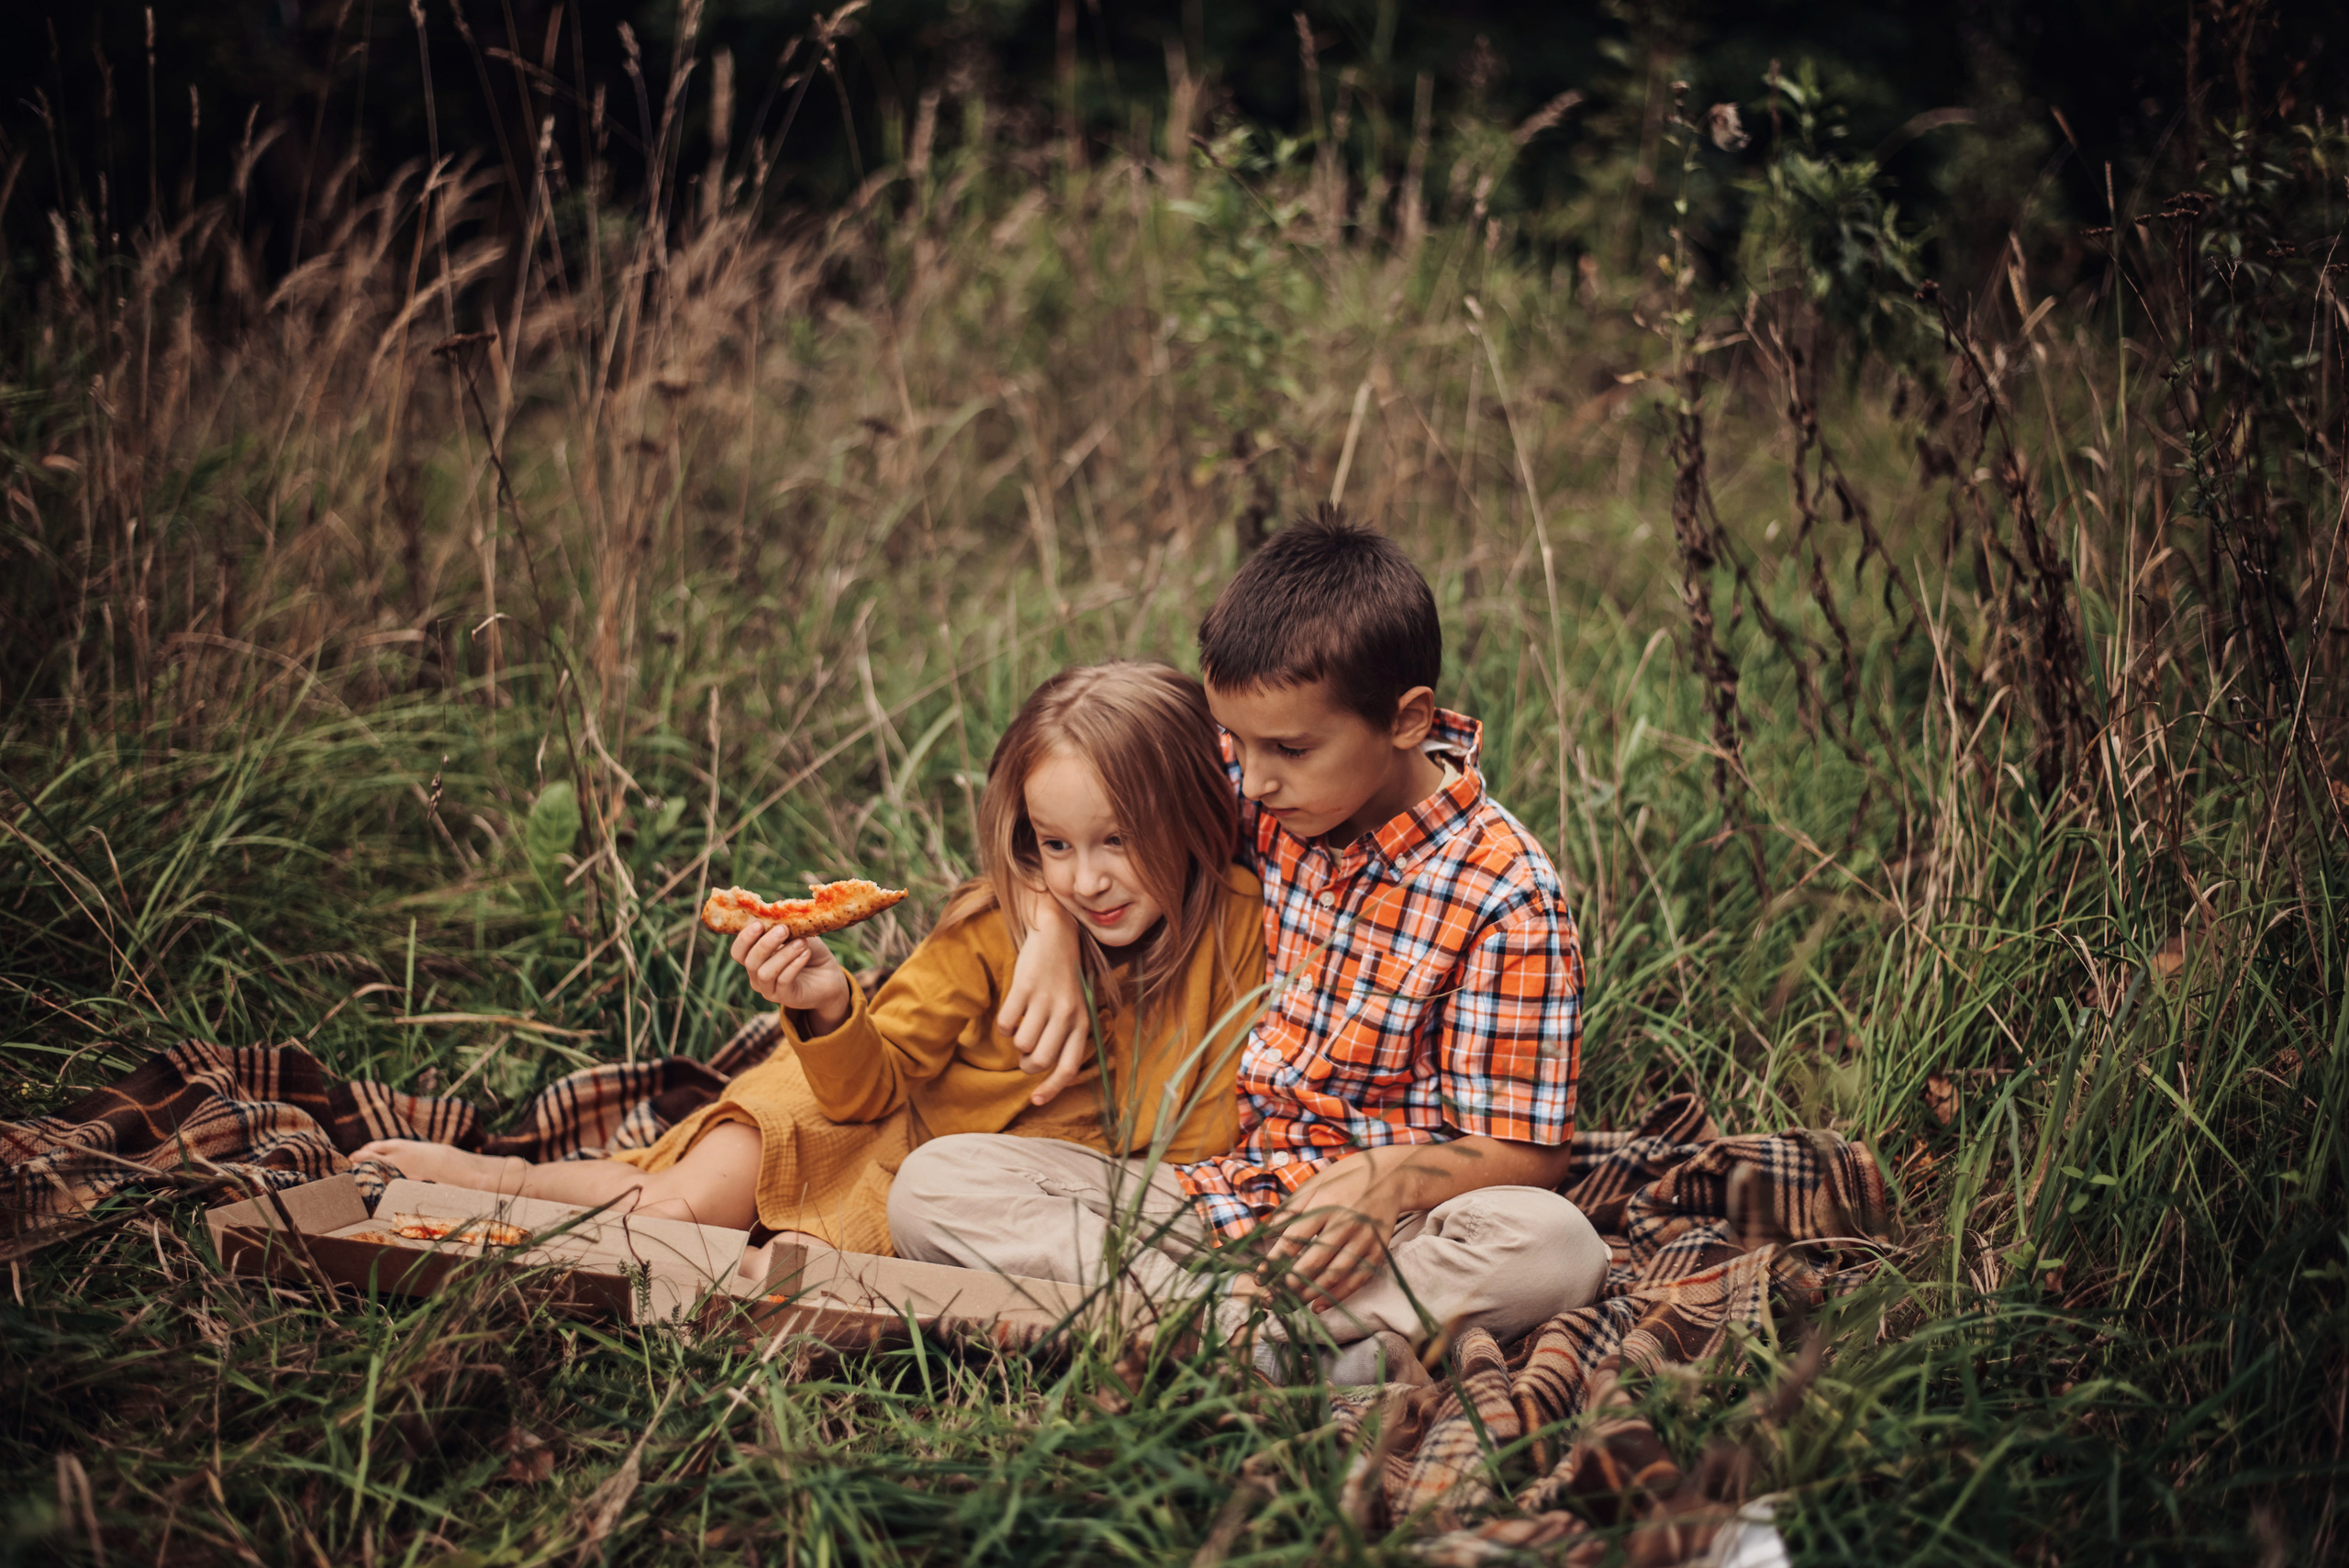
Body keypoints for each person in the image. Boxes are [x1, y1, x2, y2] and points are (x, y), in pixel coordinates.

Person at [887, 510, 1610, 1384]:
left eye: (1289, 748)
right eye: (1236, 742)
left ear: (1408, 719)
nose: (1254, 778)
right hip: (1213, 1194)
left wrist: (1391, 1178)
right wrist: (1046, 921)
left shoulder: (1505, 896)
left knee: (1556, 1247)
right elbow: (1084, 818)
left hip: (1382, 1232)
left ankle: (1183, 1331)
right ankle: (1260, 1343)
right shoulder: (1269, 793)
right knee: (933, 1185)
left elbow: (1529, 1151)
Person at [357, 662, 1265, 1252]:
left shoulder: (1241, 930)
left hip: (965, 1175)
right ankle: (500, 1177)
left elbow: (1192, 1137)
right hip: (859, 1106)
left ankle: (514, 1187)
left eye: (1116, 839)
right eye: (1054, 845)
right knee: (673, 1209)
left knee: (681, 1231)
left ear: (1194, 803)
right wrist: (829, 1005)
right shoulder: (997, 923)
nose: (1087, 880)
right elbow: (867, 1087)